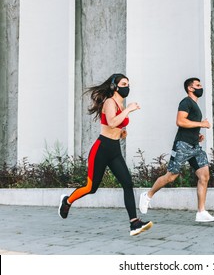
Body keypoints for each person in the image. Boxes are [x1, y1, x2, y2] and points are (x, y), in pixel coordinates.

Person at [58, 73, 153, 236]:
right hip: (101, 149)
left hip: (114, 149)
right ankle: (67, 201)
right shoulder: (110, 102)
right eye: (124, 84)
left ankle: (134, 223)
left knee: (127, 183)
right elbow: (111, 122)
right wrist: (129, 110)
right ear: (114, 87)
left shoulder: (121, 105)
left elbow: (116, 125)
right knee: (91, 188)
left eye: (128, 84)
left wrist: (122, 132)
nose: (127, 87)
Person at [139, 77, 214, 222]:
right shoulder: (186, 102)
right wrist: (202, 123)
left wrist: (198, 134)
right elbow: (180, 121)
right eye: (198, 85)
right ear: (190, 88)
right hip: (182, 145)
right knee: (171, 176)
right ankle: (148, 195)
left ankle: (201, 212)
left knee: (204, 176)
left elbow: (188, 124)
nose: (201, 87)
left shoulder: (194, 104)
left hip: (194, 146)